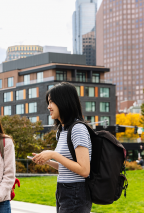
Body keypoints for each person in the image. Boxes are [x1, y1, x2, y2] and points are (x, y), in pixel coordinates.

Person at [32, 82, 92, 213]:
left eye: (51, 102)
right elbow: (68, 168)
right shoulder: (62, 130)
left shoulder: (78, 129)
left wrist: (53, 154)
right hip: (63, 191)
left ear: (64, 101)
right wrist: (47, 161)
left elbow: (84, 170)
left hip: (76, 192)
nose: (48, 107)